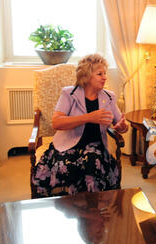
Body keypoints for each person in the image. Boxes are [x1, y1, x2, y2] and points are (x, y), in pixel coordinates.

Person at [31, 53, 128, 198]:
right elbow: (56, 122)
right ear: (87, 76)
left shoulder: (109, 97)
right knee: (67, 166)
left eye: (105, 73)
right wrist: (89, 117)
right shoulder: (69, 94)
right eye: (99, 74)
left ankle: (91, 209)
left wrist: (121, 126)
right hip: (68, 144)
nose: (105, 77)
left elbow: (120, 124)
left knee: (92, 162)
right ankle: (74, 208)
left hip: (96, 145)